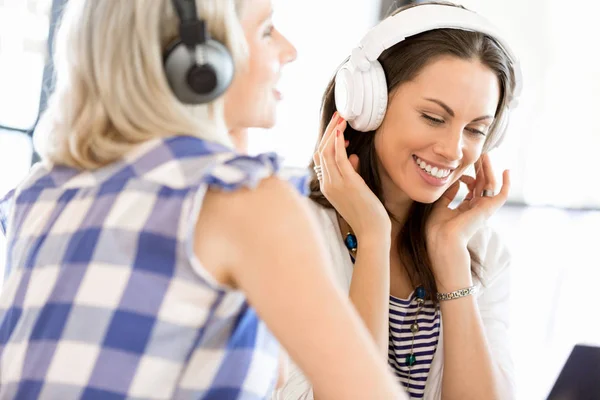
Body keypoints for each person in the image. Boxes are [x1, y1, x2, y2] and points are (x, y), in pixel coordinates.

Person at [0, 0, 407, 399]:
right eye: (266, 30)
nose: (289, 50)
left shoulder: (37, 193)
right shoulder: (241, 201)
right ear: (199, 64)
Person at [273, 1, 522, 399]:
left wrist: (450, 255)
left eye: (476, 129)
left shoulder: (480, 250)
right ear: (368, 103)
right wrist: (373, 238)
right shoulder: (287, 229)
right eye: (434, 118)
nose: (453, 150)